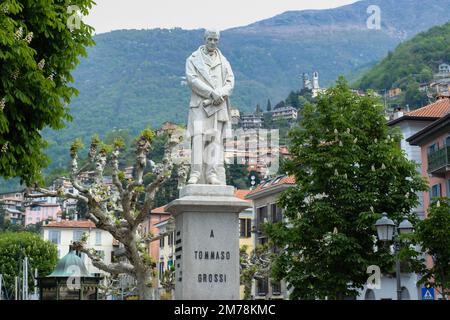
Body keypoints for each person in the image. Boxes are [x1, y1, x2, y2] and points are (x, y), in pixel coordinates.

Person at [185, 29, 234, 185]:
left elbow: (230, 82)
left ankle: (212, 174)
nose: (213, 42)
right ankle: (196, 173)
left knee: (214, 140)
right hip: (200, 105)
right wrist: (211, 93)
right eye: (210, 39)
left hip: (217, 106)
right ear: (204, 39)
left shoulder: (224, 61)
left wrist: (220, 93)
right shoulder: (193, 59)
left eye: (215, 40)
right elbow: (192, 80)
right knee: (198, 138)